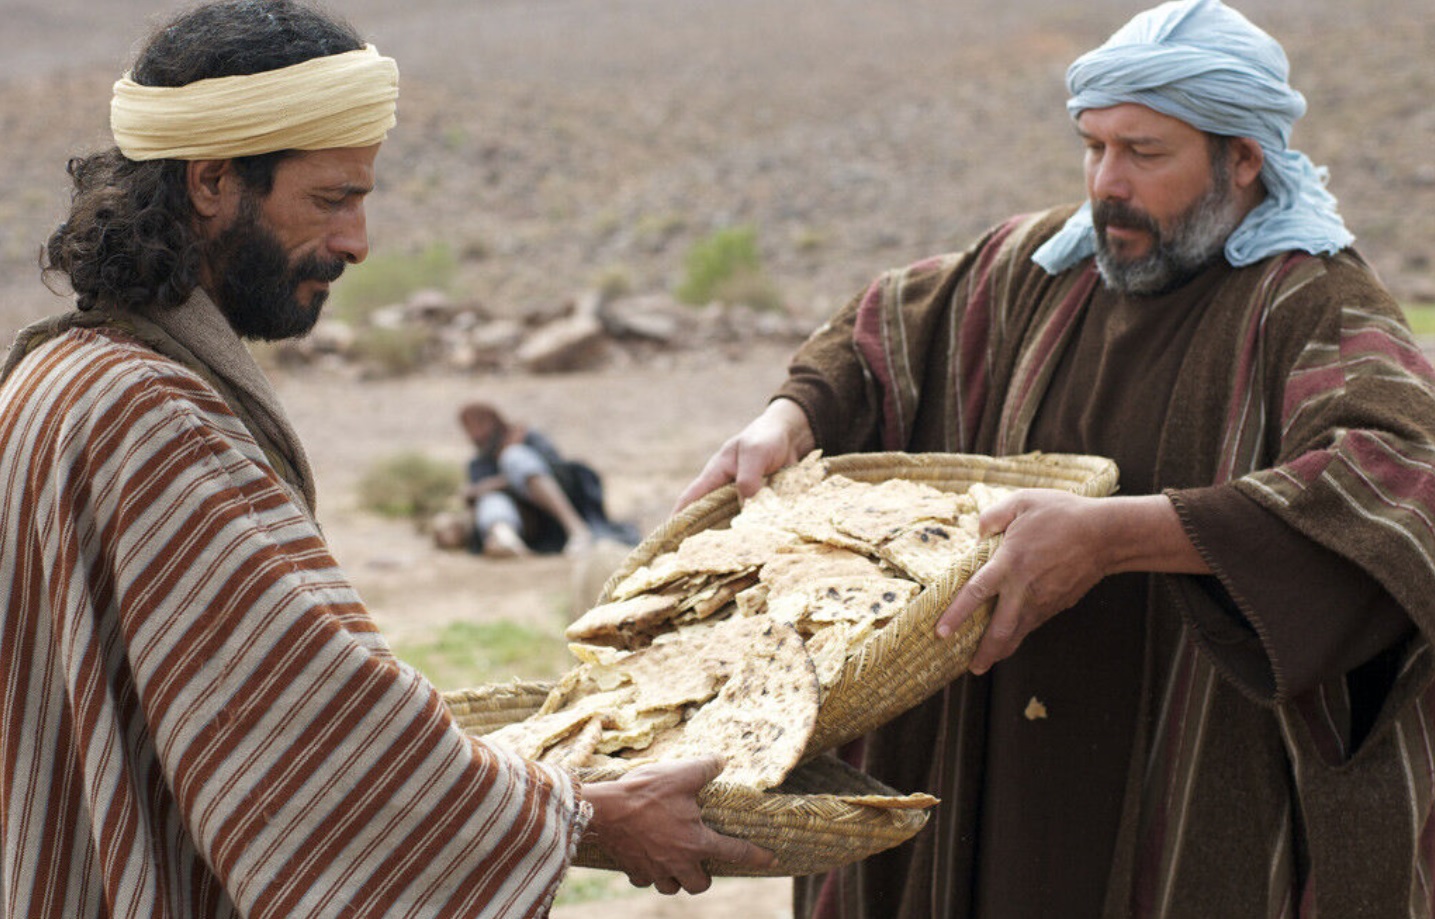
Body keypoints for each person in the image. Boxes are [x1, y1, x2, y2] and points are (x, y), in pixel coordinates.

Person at [0, 3, 770, 917]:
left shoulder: (57, 374)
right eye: (330, 200)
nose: (357, 243)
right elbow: (305, 741)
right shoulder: (151, 417)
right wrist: (587, 819)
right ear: (210, 181)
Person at [677, 1, 1435, 916]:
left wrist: (1122, 537)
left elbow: (1393, 483)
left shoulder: (1316, 306)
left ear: (1244, 158)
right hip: (980, 760)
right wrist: (788, 418)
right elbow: (888, 331)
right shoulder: (1034, 269)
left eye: (1144, 153)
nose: (1106, 183)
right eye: (1092, 147)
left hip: (1179, 764)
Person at [453, 402, 637, 558]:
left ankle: (577, 530)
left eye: (480, 424)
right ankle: (504, 538)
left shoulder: (527, 438)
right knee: (491, 499)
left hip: (559, 505)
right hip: (527, 521)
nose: (476, 433)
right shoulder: (479, 464)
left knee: (513, 458)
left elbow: (555, 469)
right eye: (470, 428)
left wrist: (497, 482)